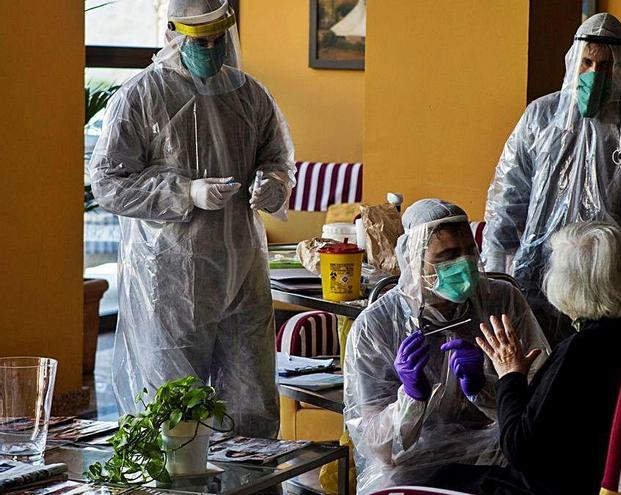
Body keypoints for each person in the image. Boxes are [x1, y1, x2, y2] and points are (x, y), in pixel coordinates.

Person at [88, 0, 295, 438]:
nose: (212, 49)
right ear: (172, 37)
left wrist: (271, 184)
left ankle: (251, 482)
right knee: (175, 412)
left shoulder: (248, 94)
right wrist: (186, 192)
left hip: (242, 271)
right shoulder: (142, 96)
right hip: (171, 278)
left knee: (251, 398)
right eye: (201, 41)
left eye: (219, 40)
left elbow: (277, 157)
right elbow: (108, 181)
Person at [482, 12, 621, 346]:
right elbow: (508, 196)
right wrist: (495, 271)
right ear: (573, 62)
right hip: (533, 280)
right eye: (588, 63)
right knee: (536, 373)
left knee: (588, 375)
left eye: (606, 66)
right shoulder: (541, 118)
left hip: (604, 289)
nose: (595, 74)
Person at [430, 222, 621, 494]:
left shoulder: (582, 350)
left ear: (570, 285)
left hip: (561, 486)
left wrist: (510, 374)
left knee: (438, 479)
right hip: (620, 479)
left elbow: (519, 449)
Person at [343, 199, 551, 493]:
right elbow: (375, 446)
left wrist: (489, 387)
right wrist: (411, 399)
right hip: (412, 465)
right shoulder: (376, 326)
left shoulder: (501, 300)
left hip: (492, 453)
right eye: (448, 256)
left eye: (469, 252)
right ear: (414, 258)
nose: (464, 265)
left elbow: (539, 403)